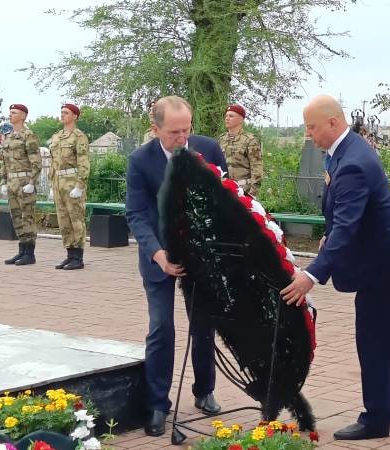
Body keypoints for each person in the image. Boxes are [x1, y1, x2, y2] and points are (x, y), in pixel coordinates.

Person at [281, 95, 390, 440]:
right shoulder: (347, 151)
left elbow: (349, 225)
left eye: (312, 126)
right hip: (381, 256)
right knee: (385, 335)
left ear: (333, 123)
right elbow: (344, 216)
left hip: (378, 261)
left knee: (374, 339)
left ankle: (376, 419)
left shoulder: (352, 161)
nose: (309, 134)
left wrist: (311, 274)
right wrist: (329, 237)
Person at [125, 96, 228, 437]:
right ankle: (157, 404)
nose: (183, 138)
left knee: (203, 325)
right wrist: (158, 255)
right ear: (155, 130)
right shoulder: (140, 160)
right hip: (159, 258)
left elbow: (224, 198)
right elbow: (137, 214)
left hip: (200, 258)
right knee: (161, 328)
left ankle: (204, 391)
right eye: (174, 132)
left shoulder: (208, 150)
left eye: (187, 129)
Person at [49, 104, 90, 270]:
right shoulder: (57, 136)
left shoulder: (79, 136)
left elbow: (84, 162)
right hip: (59, 181)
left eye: (66, 113)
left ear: (75, 116)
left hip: (72, 181)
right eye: (61, 112)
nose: (62, 115)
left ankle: (78, 257)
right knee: (63, 220)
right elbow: (53, 162)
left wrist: (80, 185)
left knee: (76, 219)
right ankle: (69, 254)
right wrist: (52, 184)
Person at [0, 104, 41, 265]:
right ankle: (21, 250)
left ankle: (29, 253)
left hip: (24, 182)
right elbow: (5, 161)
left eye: (14, 112)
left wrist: (32, 182)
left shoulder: (28, 135)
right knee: (16, 217)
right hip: (12, 181)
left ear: (23, 116)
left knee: (27, 217)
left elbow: (36, 161)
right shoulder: (8, 136)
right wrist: (3, 181)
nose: (11, 115)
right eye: (10, 112)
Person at [218, 104, 263, 197]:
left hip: (243, 190)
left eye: (231, 116)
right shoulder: (221, 139)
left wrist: (252, 194)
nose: (227, 118)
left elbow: (257, 168)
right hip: (224, 189)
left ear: (241, 119)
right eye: (226, 116)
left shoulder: (250, 140)